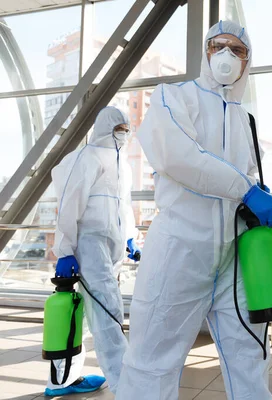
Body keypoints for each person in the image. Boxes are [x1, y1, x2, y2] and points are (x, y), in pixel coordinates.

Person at [116, 20, 272, 400]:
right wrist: (246, 189)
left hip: (235, 254)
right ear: (206, 52)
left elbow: (240, 175)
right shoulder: (173, 96)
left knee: (249, 357)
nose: (226, 55)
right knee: (152, 362)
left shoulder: (244, 119)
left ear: (247, 62)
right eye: (218, 46)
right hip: (180, 248)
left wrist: (256, 191)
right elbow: (179, 157)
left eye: (237, 49)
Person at [47, 106, 141, 396]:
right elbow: (70, 203)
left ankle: (62, 380)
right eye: (118, 129)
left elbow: (123, 206)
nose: (123, 134)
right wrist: (65, 249)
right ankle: (124, 382)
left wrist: (129, 238)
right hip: (89, 242)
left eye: (126, 129)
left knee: (86, 316)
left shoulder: (121, 166)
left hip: (111, 246)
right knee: (107, 309)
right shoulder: (89, 158)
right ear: (104, 128)